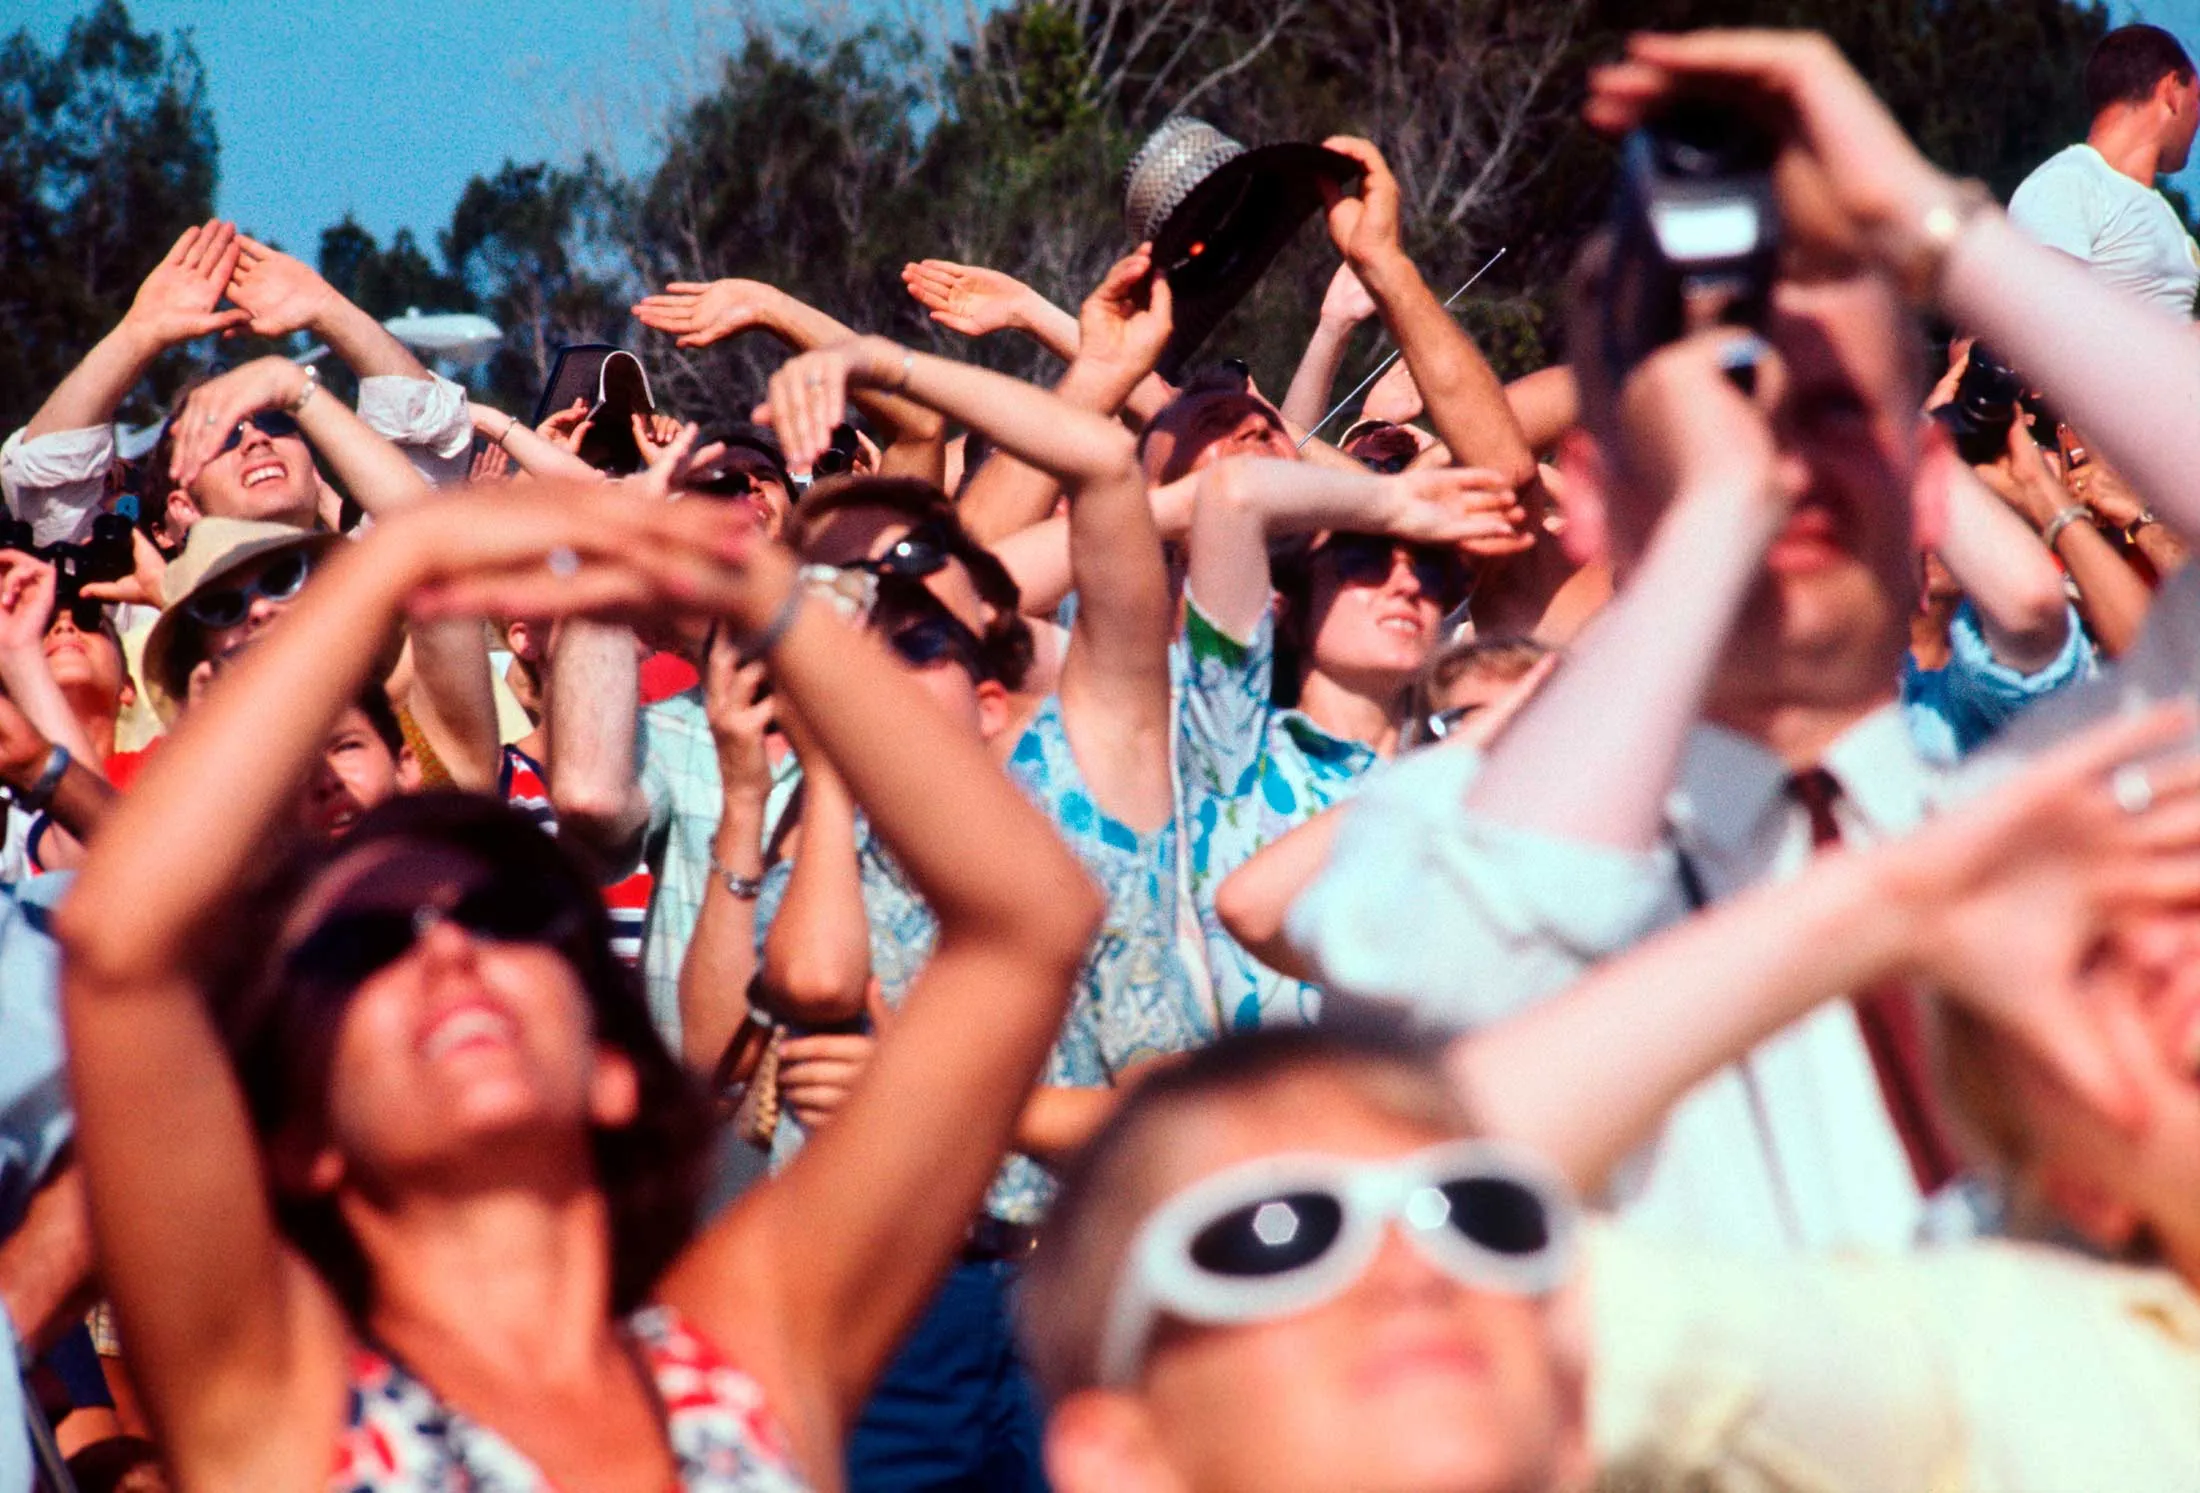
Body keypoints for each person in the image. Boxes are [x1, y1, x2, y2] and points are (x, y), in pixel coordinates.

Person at [54, 479, 1104, 1489]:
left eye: (506, 920)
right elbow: (119, 946)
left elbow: (1030, 920)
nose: (447, 953)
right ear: (299, 1137)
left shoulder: (750, 1343)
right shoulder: (268, 1398)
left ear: (613, 1063)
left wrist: (754, 587)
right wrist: (392, 565)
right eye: (369, 945)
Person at [3, 225, 472, 547]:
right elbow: (49, 493)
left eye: (274, 419)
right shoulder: (142, 617)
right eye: (220, 432)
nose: (256, 439)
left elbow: (427, 461)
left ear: (316, 473)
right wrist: (135, 337)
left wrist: (331, 312)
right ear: (182, 505)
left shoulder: (376, 581)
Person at [2009, 23, 2200, 320]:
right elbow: (2035, 330)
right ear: (2173, 90)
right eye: (2197, 100)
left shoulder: (2165, 215)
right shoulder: (2068, 183)